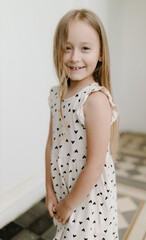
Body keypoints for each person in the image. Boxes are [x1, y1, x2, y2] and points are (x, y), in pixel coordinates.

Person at [45, 8, 120, 240]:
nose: (74, 56)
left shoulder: (95, 100)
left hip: (88, 200)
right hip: (65, 192)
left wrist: (68, 205)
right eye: (67, 47)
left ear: (100, 54)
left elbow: (95, 165)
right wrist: (49, 191)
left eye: (85, 48)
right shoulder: (57, 94)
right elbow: (50, 146)